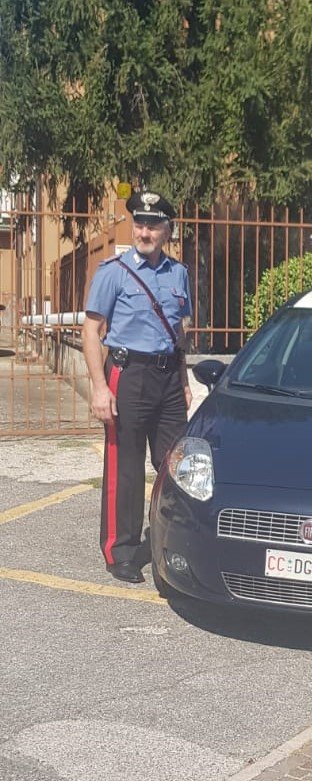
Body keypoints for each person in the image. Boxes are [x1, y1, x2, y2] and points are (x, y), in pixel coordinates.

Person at [82, 190, 192, 583]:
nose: (145, 232)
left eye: (154, 225)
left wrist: (182, 382)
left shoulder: (179, 274)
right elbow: (92, 332)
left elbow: (180, 332)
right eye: (140, 224)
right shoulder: (113, 271)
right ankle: (122, 550)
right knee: (124, 466)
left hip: (166, 379)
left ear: (167, 230)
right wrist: (99, 387)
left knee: (174, 465)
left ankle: (174, 540)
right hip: (127, 376)